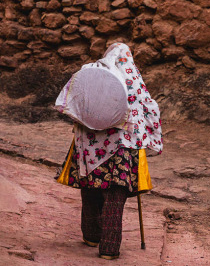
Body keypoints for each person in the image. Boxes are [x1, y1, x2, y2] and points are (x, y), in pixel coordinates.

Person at [56, 43, 163, 260]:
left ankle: (91, 236)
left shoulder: (90, 71)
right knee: (116, 194)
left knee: (90, 189)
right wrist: (152, 139)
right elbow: (150, 109)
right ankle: (109, 248)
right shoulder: (133, 80)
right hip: (123, 148)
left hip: (90, 146)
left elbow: (71, 101)